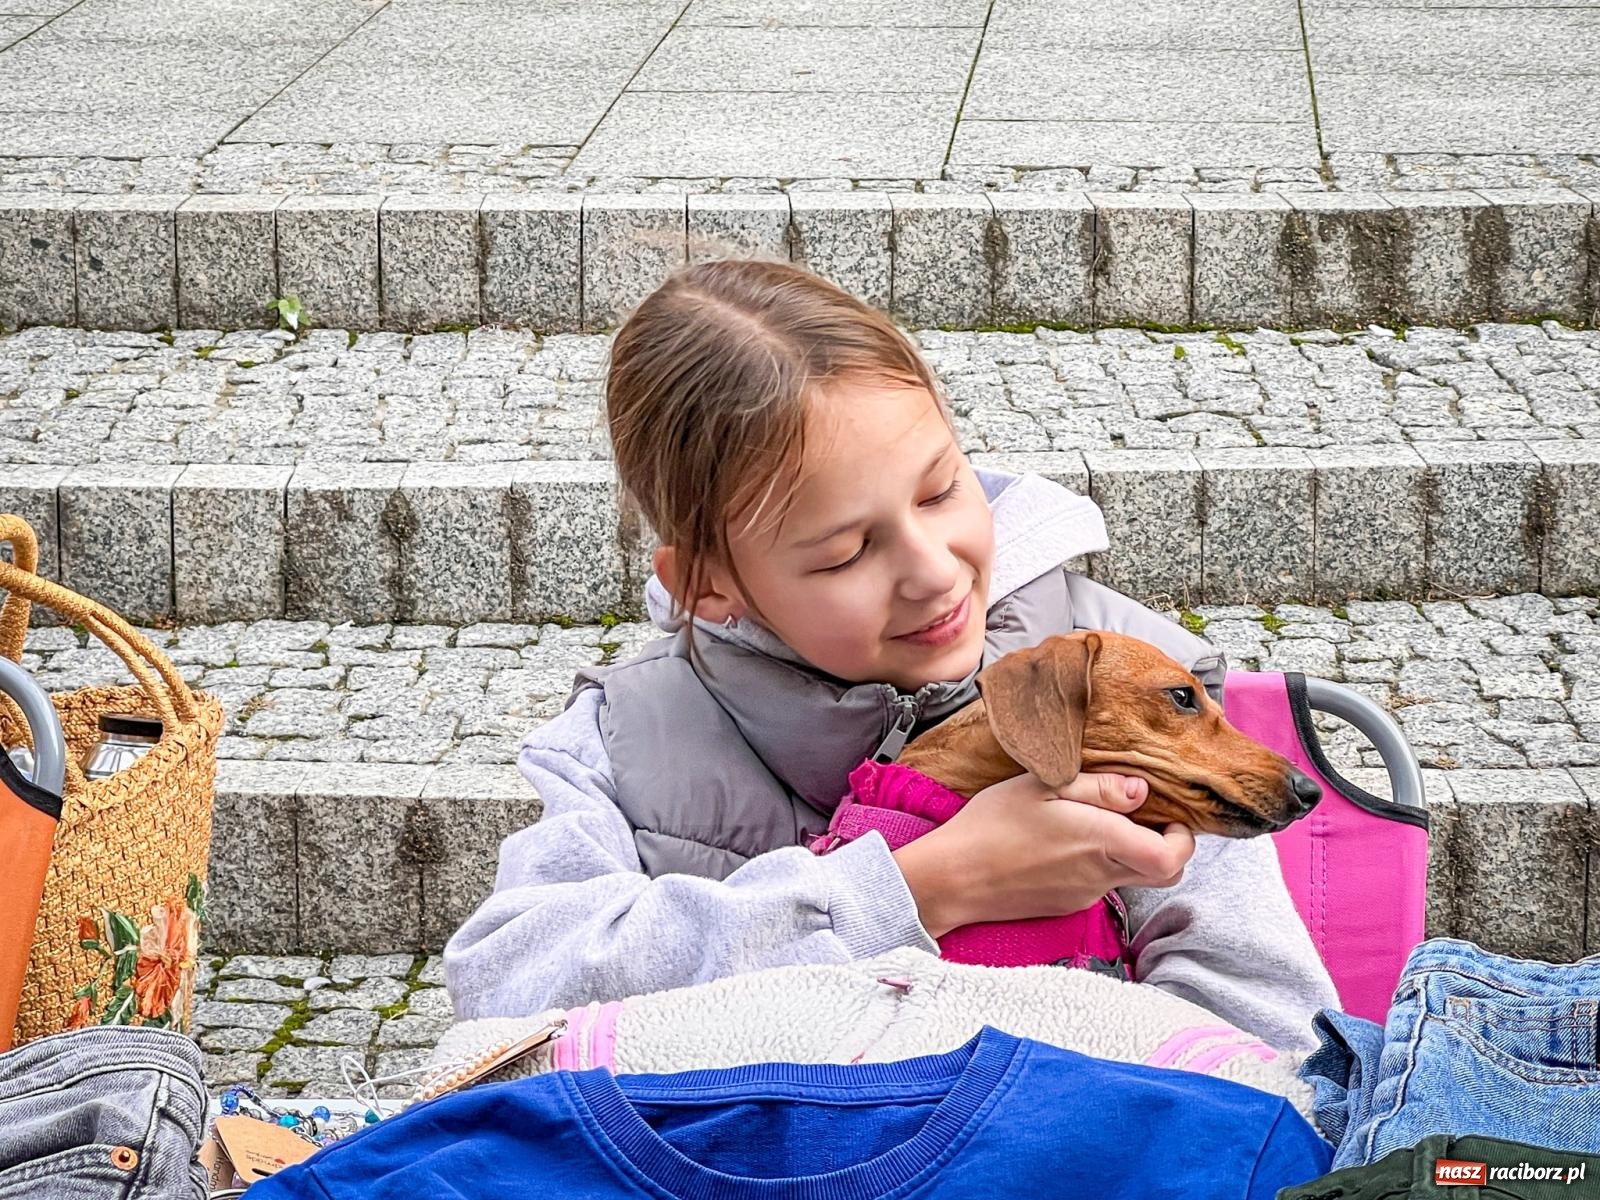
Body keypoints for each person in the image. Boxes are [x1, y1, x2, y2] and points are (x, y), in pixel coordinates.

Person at [445, 259, 1338, 1051]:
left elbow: (1270, 1029)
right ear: (707, 585)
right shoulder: (627, 739)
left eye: (944, 489)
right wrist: (922, 885)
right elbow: (506, 987)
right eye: (845, 552)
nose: (932, 569)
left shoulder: (1125, 689)